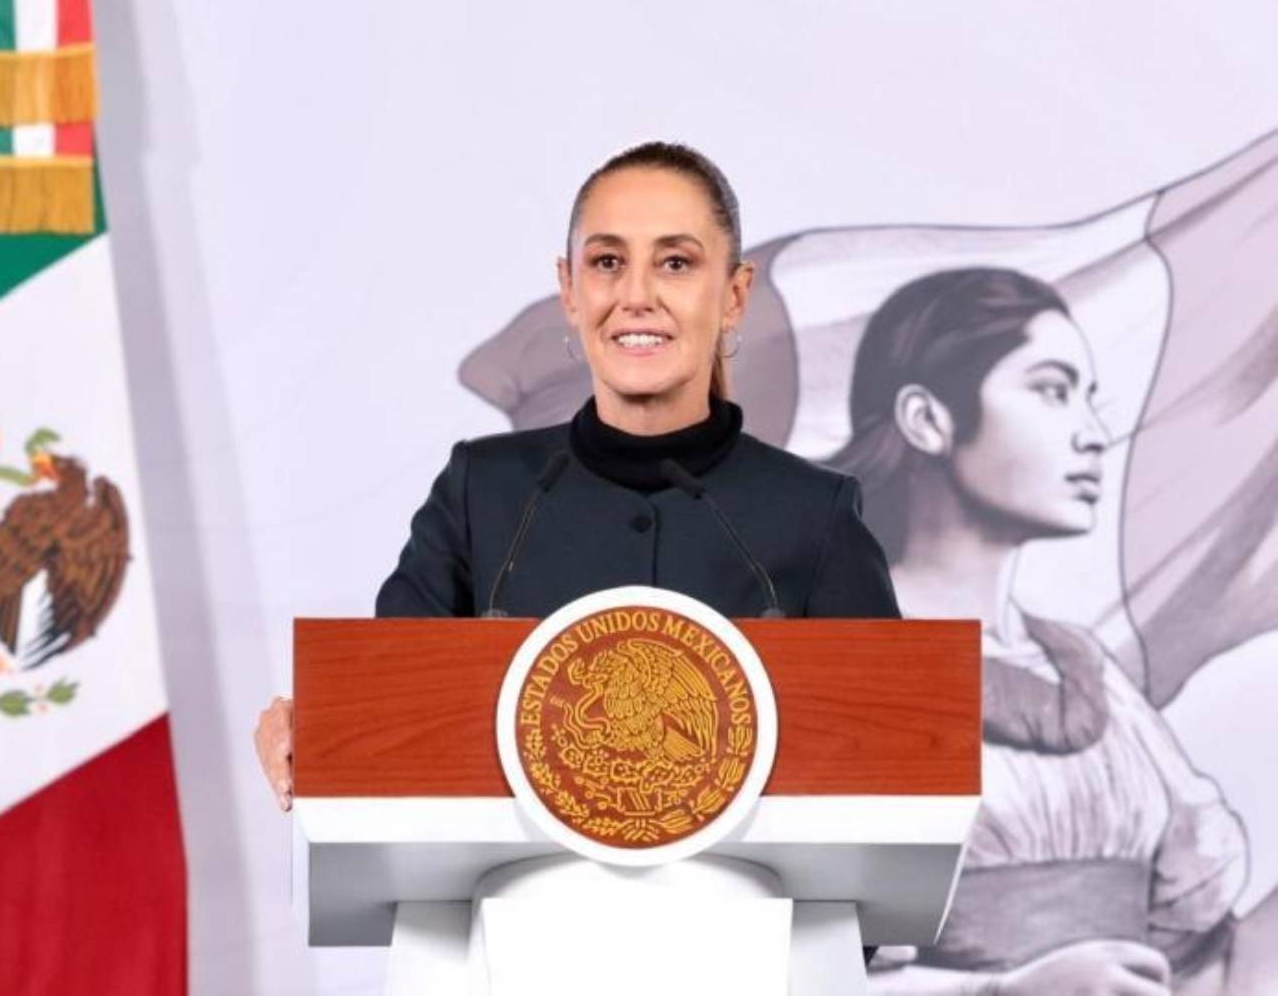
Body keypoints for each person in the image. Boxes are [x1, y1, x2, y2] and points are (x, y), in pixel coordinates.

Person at [254, 142, 898, 812]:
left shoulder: (815, 513)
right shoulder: (481, 493)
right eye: (608, 262)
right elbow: (386, 712)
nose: (636, 296)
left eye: (676, 263)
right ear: (569, 289)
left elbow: (891, 750)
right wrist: (311, 730)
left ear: (735, 295)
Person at [829, 267, 1257, 996]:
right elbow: (784, 967)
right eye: (1053, 391)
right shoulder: (848, 657)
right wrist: (1006, 992)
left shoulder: (1084, 667)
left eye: (1089, 399)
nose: (1094, 435)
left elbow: (1202, 951)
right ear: (927, 420)